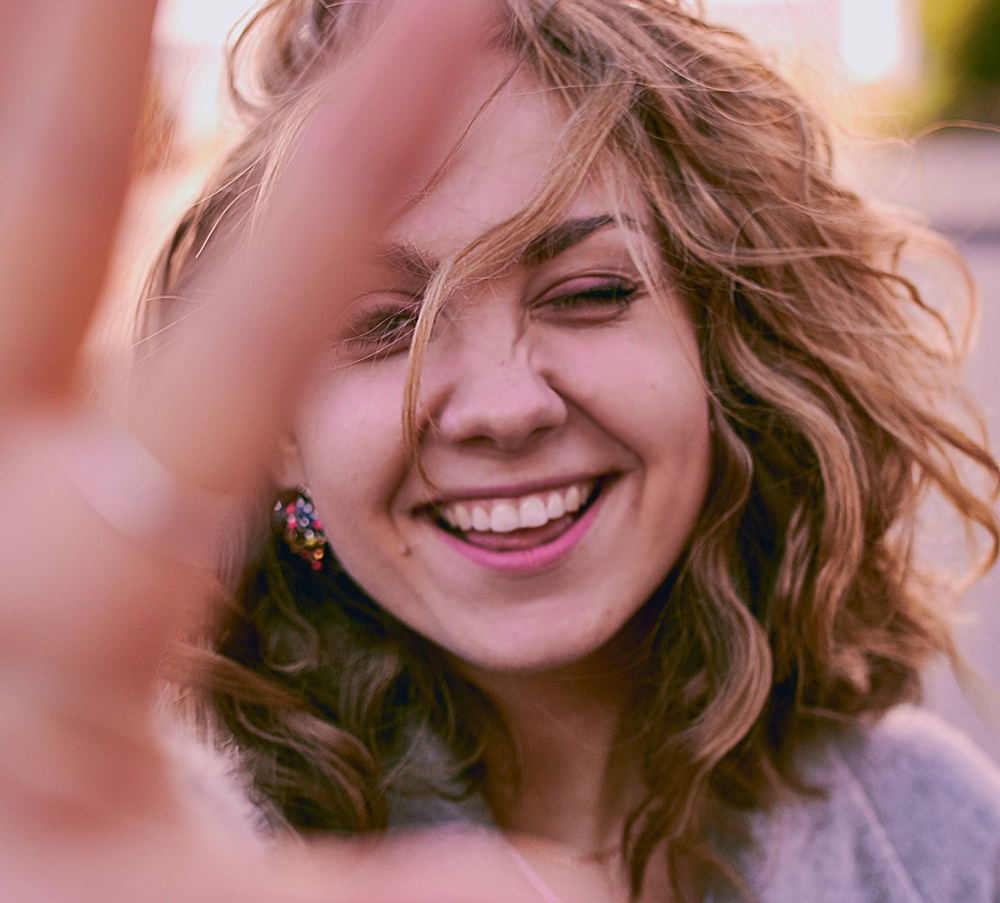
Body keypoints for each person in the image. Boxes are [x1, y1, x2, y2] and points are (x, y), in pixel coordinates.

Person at [3, 2, 999, 903]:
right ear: (281, 442)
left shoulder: (933, 838)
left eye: (590, 293)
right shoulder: (153, 844)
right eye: (384, 325)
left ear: (727, 347)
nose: (503, 407)